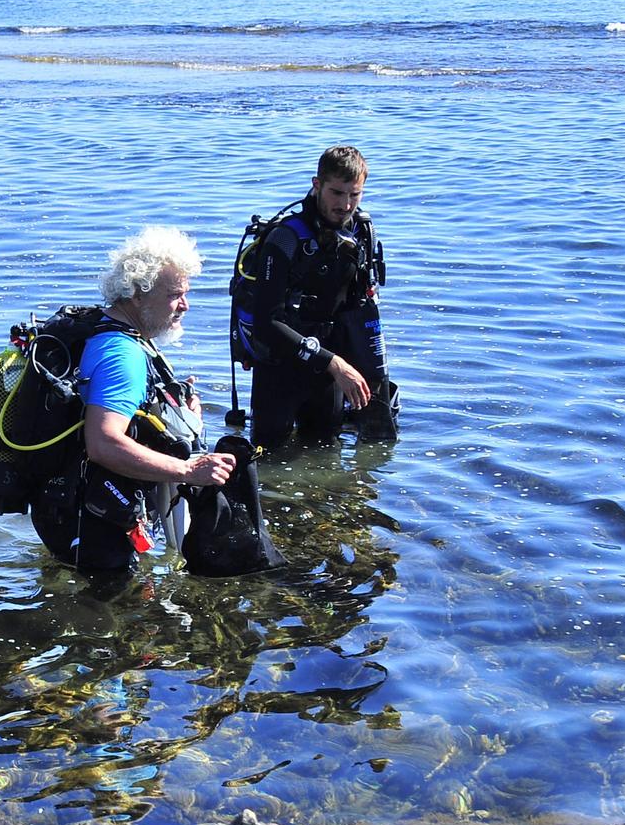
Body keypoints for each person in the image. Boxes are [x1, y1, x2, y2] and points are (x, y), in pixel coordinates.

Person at [33, 227, 239, 577]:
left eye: (186, 293)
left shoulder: (104, 327)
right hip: (96, 521)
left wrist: (181, 416)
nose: (185, 306)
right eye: (175, 295)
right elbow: (103, 443)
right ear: (137, 296)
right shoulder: (123, 355)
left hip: (70, 508)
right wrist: (189, 471)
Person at [233, 145, 394, 449]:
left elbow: (358, 308)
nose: (346, 205)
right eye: (337, 193)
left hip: (330, 368)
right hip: (281, 365)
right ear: (316, 185)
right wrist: (333, 363)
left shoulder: (361, 233)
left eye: (354, 194)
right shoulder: (286, 239)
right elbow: (267, 323)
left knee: (325, 456)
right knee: (270, 460)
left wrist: (369, 370)